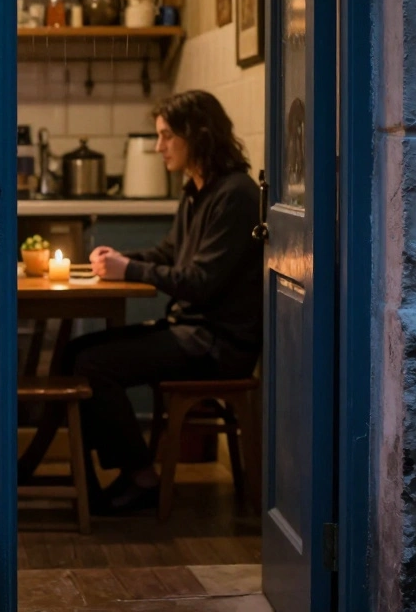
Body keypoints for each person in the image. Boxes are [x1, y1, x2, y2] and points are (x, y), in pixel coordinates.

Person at [66, 90, 263, 514]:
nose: (159, 148)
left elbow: (200, 283)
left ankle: (140, 477)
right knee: (74, 353)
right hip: (192, 331)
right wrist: (119, 260)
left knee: (91, 365)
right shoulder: (198, 190)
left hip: (217, 345)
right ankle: (83, 482)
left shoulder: (235, 195)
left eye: (167, 136)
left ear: (199, 135)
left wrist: (129, 270)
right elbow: (170, 254)